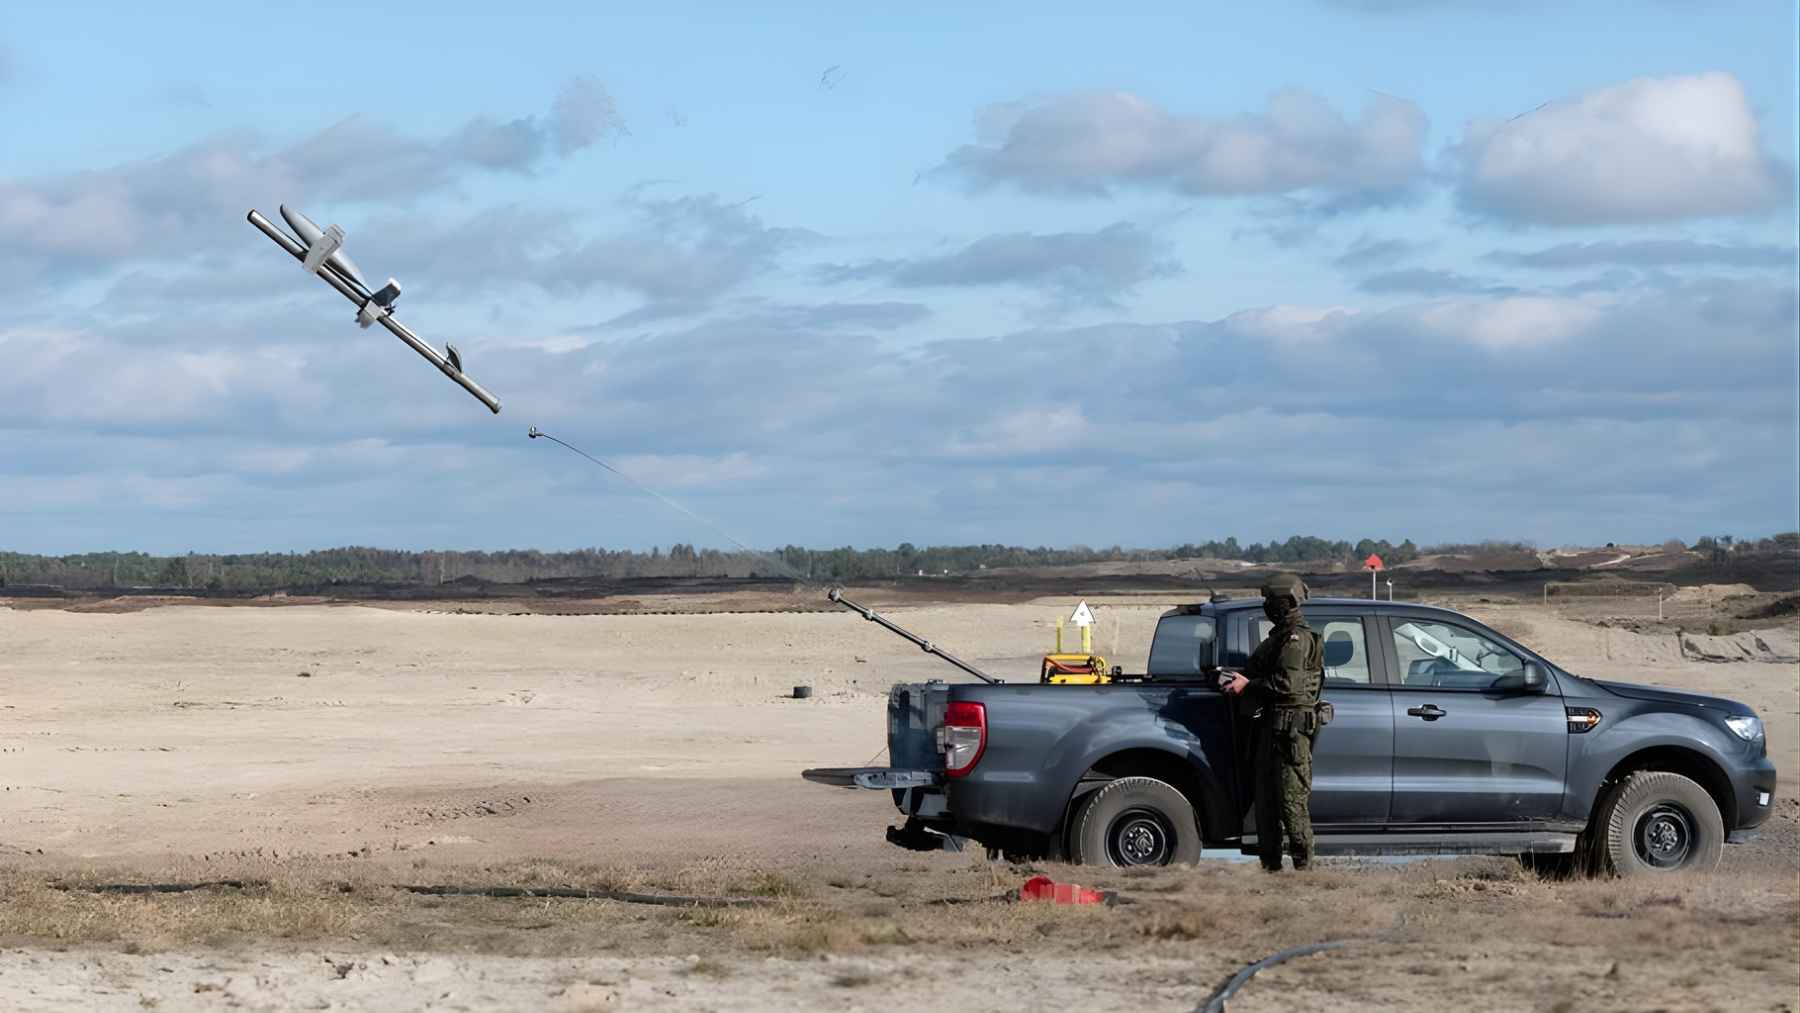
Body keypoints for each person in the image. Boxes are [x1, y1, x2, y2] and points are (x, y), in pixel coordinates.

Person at [1220, 573, 1324, 871]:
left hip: (1291, 733)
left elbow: (1288, 685)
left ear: (1282, 603)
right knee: (1265, 804)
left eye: (1269, 602)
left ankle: (1304, 868)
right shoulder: (1279, 637)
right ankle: (1271, 868)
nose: (1266, 606)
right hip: (1272, 729)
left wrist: (1247, 685)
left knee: (1291, 803)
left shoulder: (1296, 639)